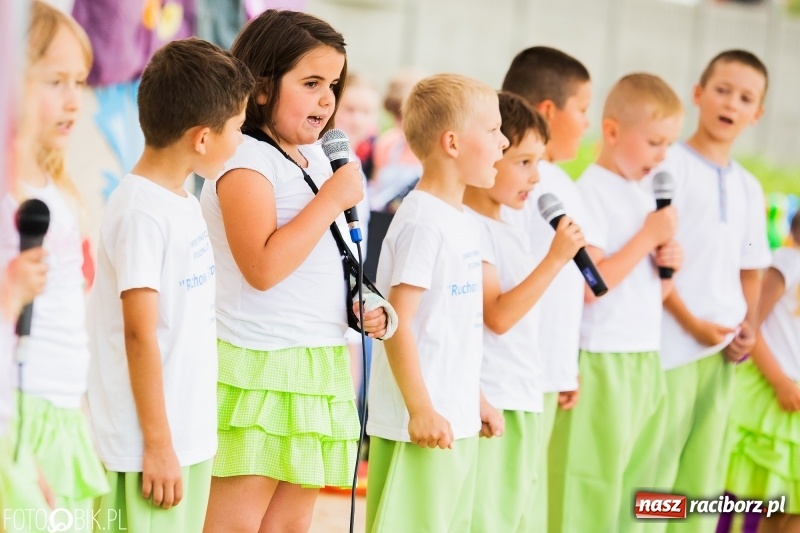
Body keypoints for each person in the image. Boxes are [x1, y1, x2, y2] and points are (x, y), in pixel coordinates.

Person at [199, 10, 388, 533]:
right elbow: (262, 267)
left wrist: (364, 302)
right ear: (261, 88)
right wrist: (330, 200)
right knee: (235, 524)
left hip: (317, 362)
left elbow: (323, 257)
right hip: (257, 364)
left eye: (333, 85)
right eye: (311, 83)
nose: (326, 100)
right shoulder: (245, 162)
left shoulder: (316, 160)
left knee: (288, 525)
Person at [87, 38, 254, 533]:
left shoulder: (181, 199)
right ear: (202, 139)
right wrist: (158, 445)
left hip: (187, 437)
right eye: (238, 129)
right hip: (145, 449)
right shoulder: (140, 211)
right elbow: (139, 334)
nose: (241, 141)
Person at [365, 73, 508, 533]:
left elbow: (453, 327)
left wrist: (476, 399)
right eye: (493, 130)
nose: (504, 142)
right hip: (419, 426)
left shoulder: (460, 219)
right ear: (452, 142)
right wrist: (421, 409)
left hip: (454, 420)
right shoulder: (423, 222)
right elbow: (397, 324)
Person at [546, 73, 683, 532]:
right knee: (590, 482)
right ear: (611, 131)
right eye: (654, 142)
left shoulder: (644, 198)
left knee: (641, 480)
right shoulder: (591, 193)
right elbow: (591, 284)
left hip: (644, 353)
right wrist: (647, 238)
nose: (662, 156)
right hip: (603, 357)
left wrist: (667, 261)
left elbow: (653, 293)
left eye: (668, 145)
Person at [652, 50, 772, 533]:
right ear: (698, 94)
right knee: (655, 470)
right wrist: (691, 322)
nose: (731, 104)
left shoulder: (749, 188)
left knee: (700, 478)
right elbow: (654, 260)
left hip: (722, 355)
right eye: (722, 90)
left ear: (757, 113)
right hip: (669, 347)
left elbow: (751, 268)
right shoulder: (668, 165)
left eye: (745, 98)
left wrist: (749, 330)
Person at [0, 3, 108, 529]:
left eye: (79, 82)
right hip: (17, 411)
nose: (72, 100)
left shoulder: (58, 193)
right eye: (55, 81)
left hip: (63, 411)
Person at [462, 91, 585, 532]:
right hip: (494, 399)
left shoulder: (509, 222)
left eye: (539, 163)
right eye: (524, 162)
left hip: (524, 391)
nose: (536, 178)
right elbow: (498, 316)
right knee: (486, 518)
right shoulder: (471, 226)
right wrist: (555, 259)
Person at [499, 45, 597, 531]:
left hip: (538, 369)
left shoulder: (543, 180)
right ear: (548, 111)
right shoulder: (542, 182)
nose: (587, 123)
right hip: (520, 372)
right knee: (515, 499)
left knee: (522, 495)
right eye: (583, 109)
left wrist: (565, 365)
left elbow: (565, 293)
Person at [726, 211, 800, 533]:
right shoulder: (788, 263)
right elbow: (751, 326)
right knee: (773, 501)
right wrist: (780, 382)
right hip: (773, 396)